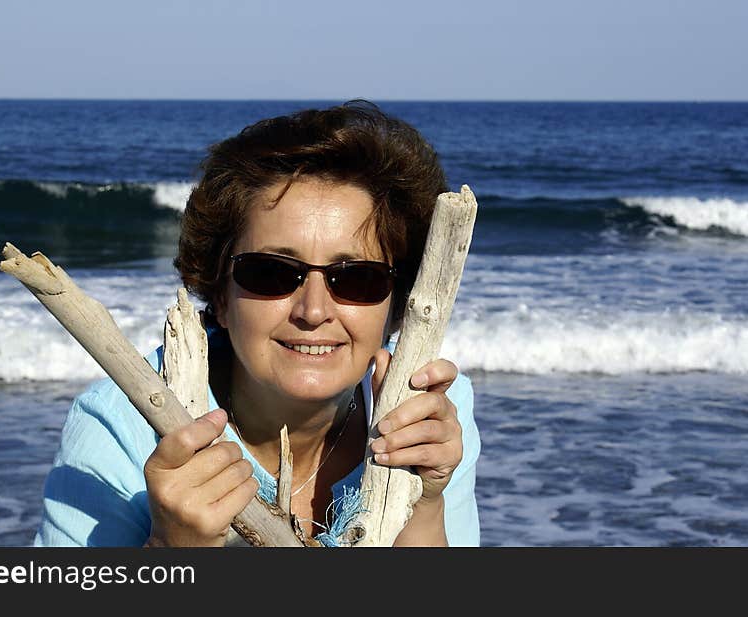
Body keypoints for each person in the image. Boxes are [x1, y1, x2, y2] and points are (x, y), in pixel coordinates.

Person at [34, 100, 481, 547]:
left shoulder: (429, 416)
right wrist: (173, 546)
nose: (313, 311)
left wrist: (423, 504)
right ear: (220, 295)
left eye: (358, 279)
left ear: (396, 305)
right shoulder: (120, 425)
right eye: (272, 273)